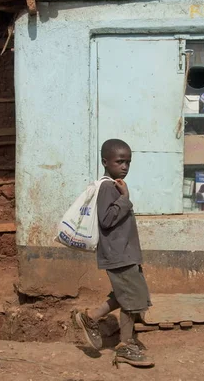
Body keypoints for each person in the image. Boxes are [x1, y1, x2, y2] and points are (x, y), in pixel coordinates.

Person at [73, 139, 154, 368]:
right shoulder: (109, 187)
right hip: (119, 255)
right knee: (132, 299)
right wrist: (125, 199)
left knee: (127, 294)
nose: (125, 166)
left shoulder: (113, 186)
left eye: (128, 162)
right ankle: (126, 345)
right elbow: (106, 220)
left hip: (124, 253)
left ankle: (89, 317)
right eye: (120, 161)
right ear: (105, 162)